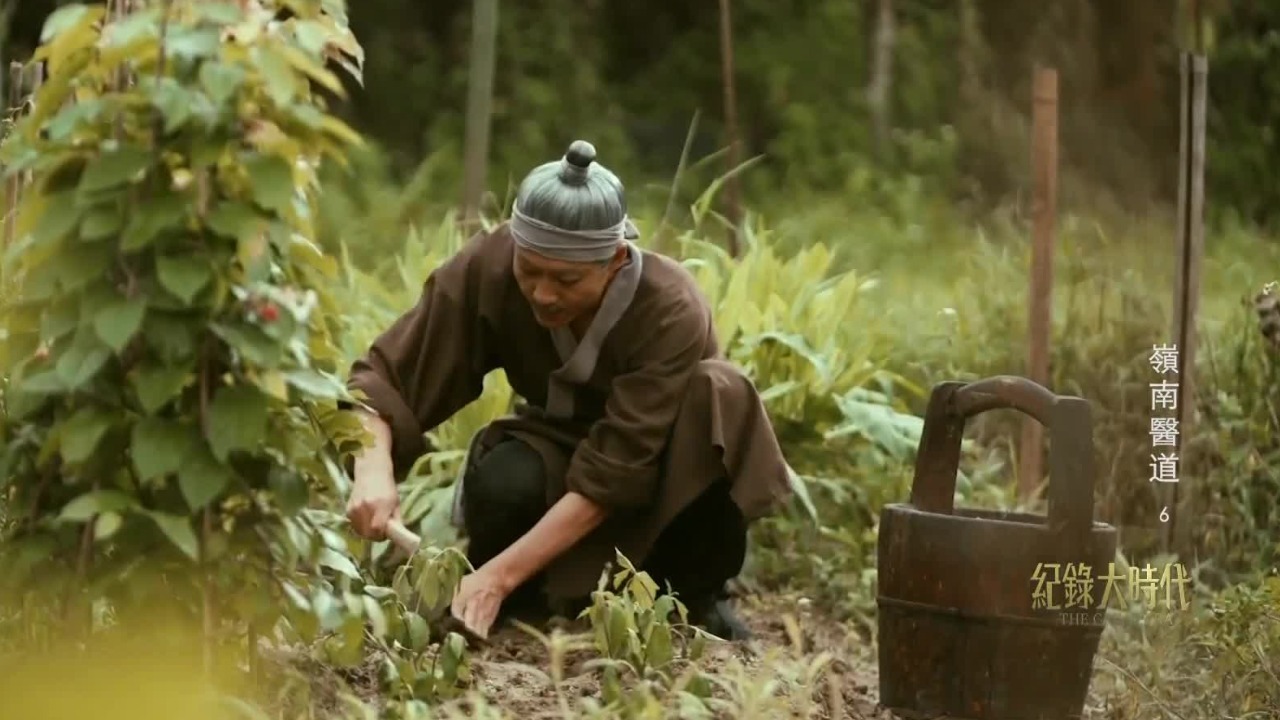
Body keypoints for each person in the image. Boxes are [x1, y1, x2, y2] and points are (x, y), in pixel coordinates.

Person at [343, 139, 792, 642]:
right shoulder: (490, 266)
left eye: (566, 279)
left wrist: (496, 577)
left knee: (720, 391)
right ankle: (527, 601)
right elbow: (385, 376)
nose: (542, 293)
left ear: (615, 259)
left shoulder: (670, 308)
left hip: (659, 466)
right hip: (558, 444)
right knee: (504, 480)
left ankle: (690, 598)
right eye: (529, 271)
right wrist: (372, 468)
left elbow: (612, 474)